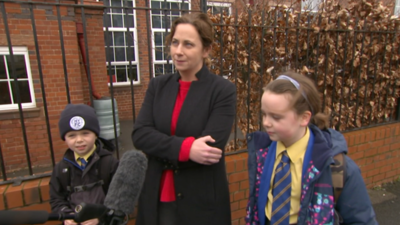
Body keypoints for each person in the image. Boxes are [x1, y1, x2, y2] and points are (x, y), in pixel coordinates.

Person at [132, 12, 236, 225]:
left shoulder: (222, 90)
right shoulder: (158, 86)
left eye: (188, 44)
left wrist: (160, 146)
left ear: (206, 50)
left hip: (200, 200)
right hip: (157, 194)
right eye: (175, 42)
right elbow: (140, 134)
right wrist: (187, 148)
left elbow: (211, 147)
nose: (178, 51)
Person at [245, 72, 378, 225]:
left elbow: (361, 220)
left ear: (304, 118)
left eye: (276, 117)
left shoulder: (334, 166)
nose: (266, 123)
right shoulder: (262, 153)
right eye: (264, 114)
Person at [49, 104, 119, 225]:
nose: (79, 140)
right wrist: (66, 215)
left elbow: (119, 198)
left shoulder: (110, 163)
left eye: (85, 133)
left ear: (96, 134)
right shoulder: (61, 169)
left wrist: (101, 217)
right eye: (72, 135)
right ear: (64, 138)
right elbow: (56, 198)